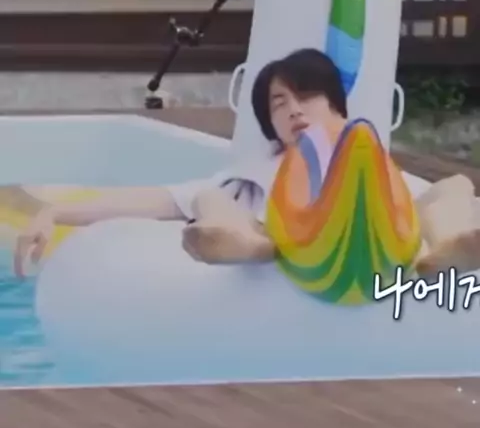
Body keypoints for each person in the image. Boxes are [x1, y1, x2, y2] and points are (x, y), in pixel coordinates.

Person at [12, 48, 480, 278]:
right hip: (279, 239)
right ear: (271, 124)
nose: (294, 110)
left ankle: (449, 250)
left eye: (306, 96)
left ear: (337, 107)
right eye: (280, 104)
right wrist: (55, 211)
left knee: (455, 184)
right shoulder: (251, 179)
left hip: (374, 240)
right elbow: (153, 199)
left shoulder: (365, 160)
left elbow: (419, 200)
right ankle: (248, 245)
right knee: (210, 198)